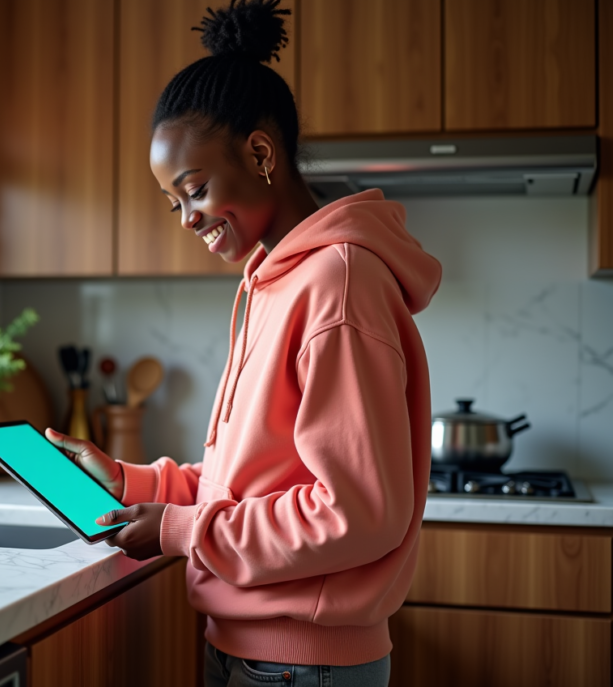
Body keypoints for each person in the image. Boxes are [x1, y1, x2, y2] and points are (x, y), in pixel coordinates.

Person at [46, 1, 442, 685]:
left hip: (300, 662)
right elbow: (250, 480)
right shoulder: (274, 281)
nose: (186, 218)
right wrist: (130, 483)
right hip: (255, 649)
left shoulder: (336, 283)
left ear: (260, 153)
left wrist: (178, 531)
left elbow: (358, 512)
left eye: (193, 190)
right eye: (174, 203)